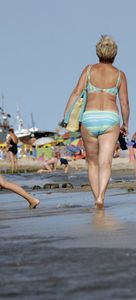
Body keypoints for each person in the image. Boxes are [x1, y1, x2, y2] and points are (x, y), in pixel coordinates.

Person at [64, 35, 129, 209]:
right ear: (114, 54)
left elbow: (76, 93)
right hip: (110, 117)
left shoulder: (89, 70)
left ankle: (96, 198)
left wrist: (66, 117)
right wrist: (126, 124)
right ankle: (101, 196)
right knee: (105, 161)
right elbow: (124, 102)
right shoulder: (119, 75)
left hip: (89, 117)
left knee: (92, 162)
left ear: (98, 52)